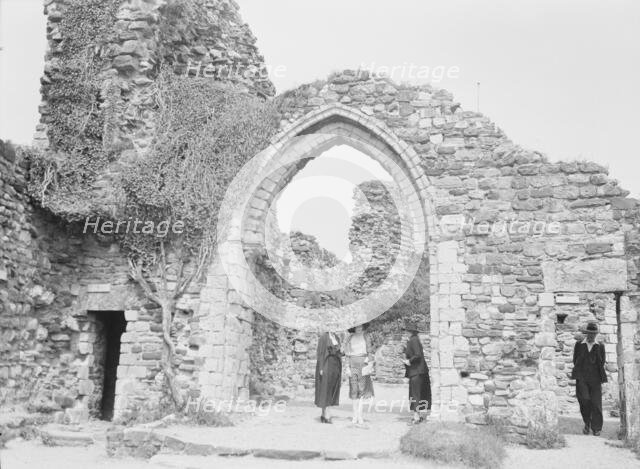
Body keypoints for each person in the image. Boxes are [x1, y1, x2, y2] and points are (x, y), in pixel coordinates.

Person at [572, 321, 607, 436]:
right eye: (590, 333)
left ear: (596, 334)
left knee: (596, 403)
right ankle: (587, 423)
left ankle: (596, 428)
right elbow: (575, 360)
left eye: (593, 333)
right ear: (586, 333)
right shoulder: (579, 344)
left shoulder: (600, 346)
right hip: (582, 377)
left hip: (596, 378)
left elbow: (602, 362)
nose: (591, 335)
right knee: (584, 400)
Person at [344, 323, 375, 426]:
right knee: (354, 390)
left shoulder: (366, 336)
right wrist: (347, 367)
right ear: (353, 327)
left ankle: (360, 415)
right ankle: (354, 415)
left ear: (363, 327)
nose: (358, 328)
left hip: (363, 365)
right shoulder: (350, 338)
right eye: (356, 327)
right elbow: (347, 354)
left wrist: (370, 364)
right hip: (353, 364)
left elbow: (370, 352)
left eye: (360, 326)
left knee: (362, 390)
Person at [402, 319, 431, 425]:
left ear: (410, 331)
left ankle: (416, 418)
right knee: (417, 394)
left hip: (417, 372)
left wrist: (409, 361)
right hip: (417, 371)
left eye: (406, 331)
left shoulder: (413, 340)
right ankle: (418, 416)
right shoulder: (412, 340)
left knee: (415, 395)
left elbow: (417, 355)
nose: (405, 333)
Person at [314, 331, 342, 423]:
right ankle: (327, 414)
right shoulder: (324, 337)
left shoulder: (336, 337)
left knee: (331, 388)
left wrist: (342, 353)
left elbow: (338, 352)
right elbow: (320, 353)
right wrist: (321, 367)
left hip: (335, 365)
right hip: (326, 364)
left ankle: (323, 414)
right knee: (325, 388)